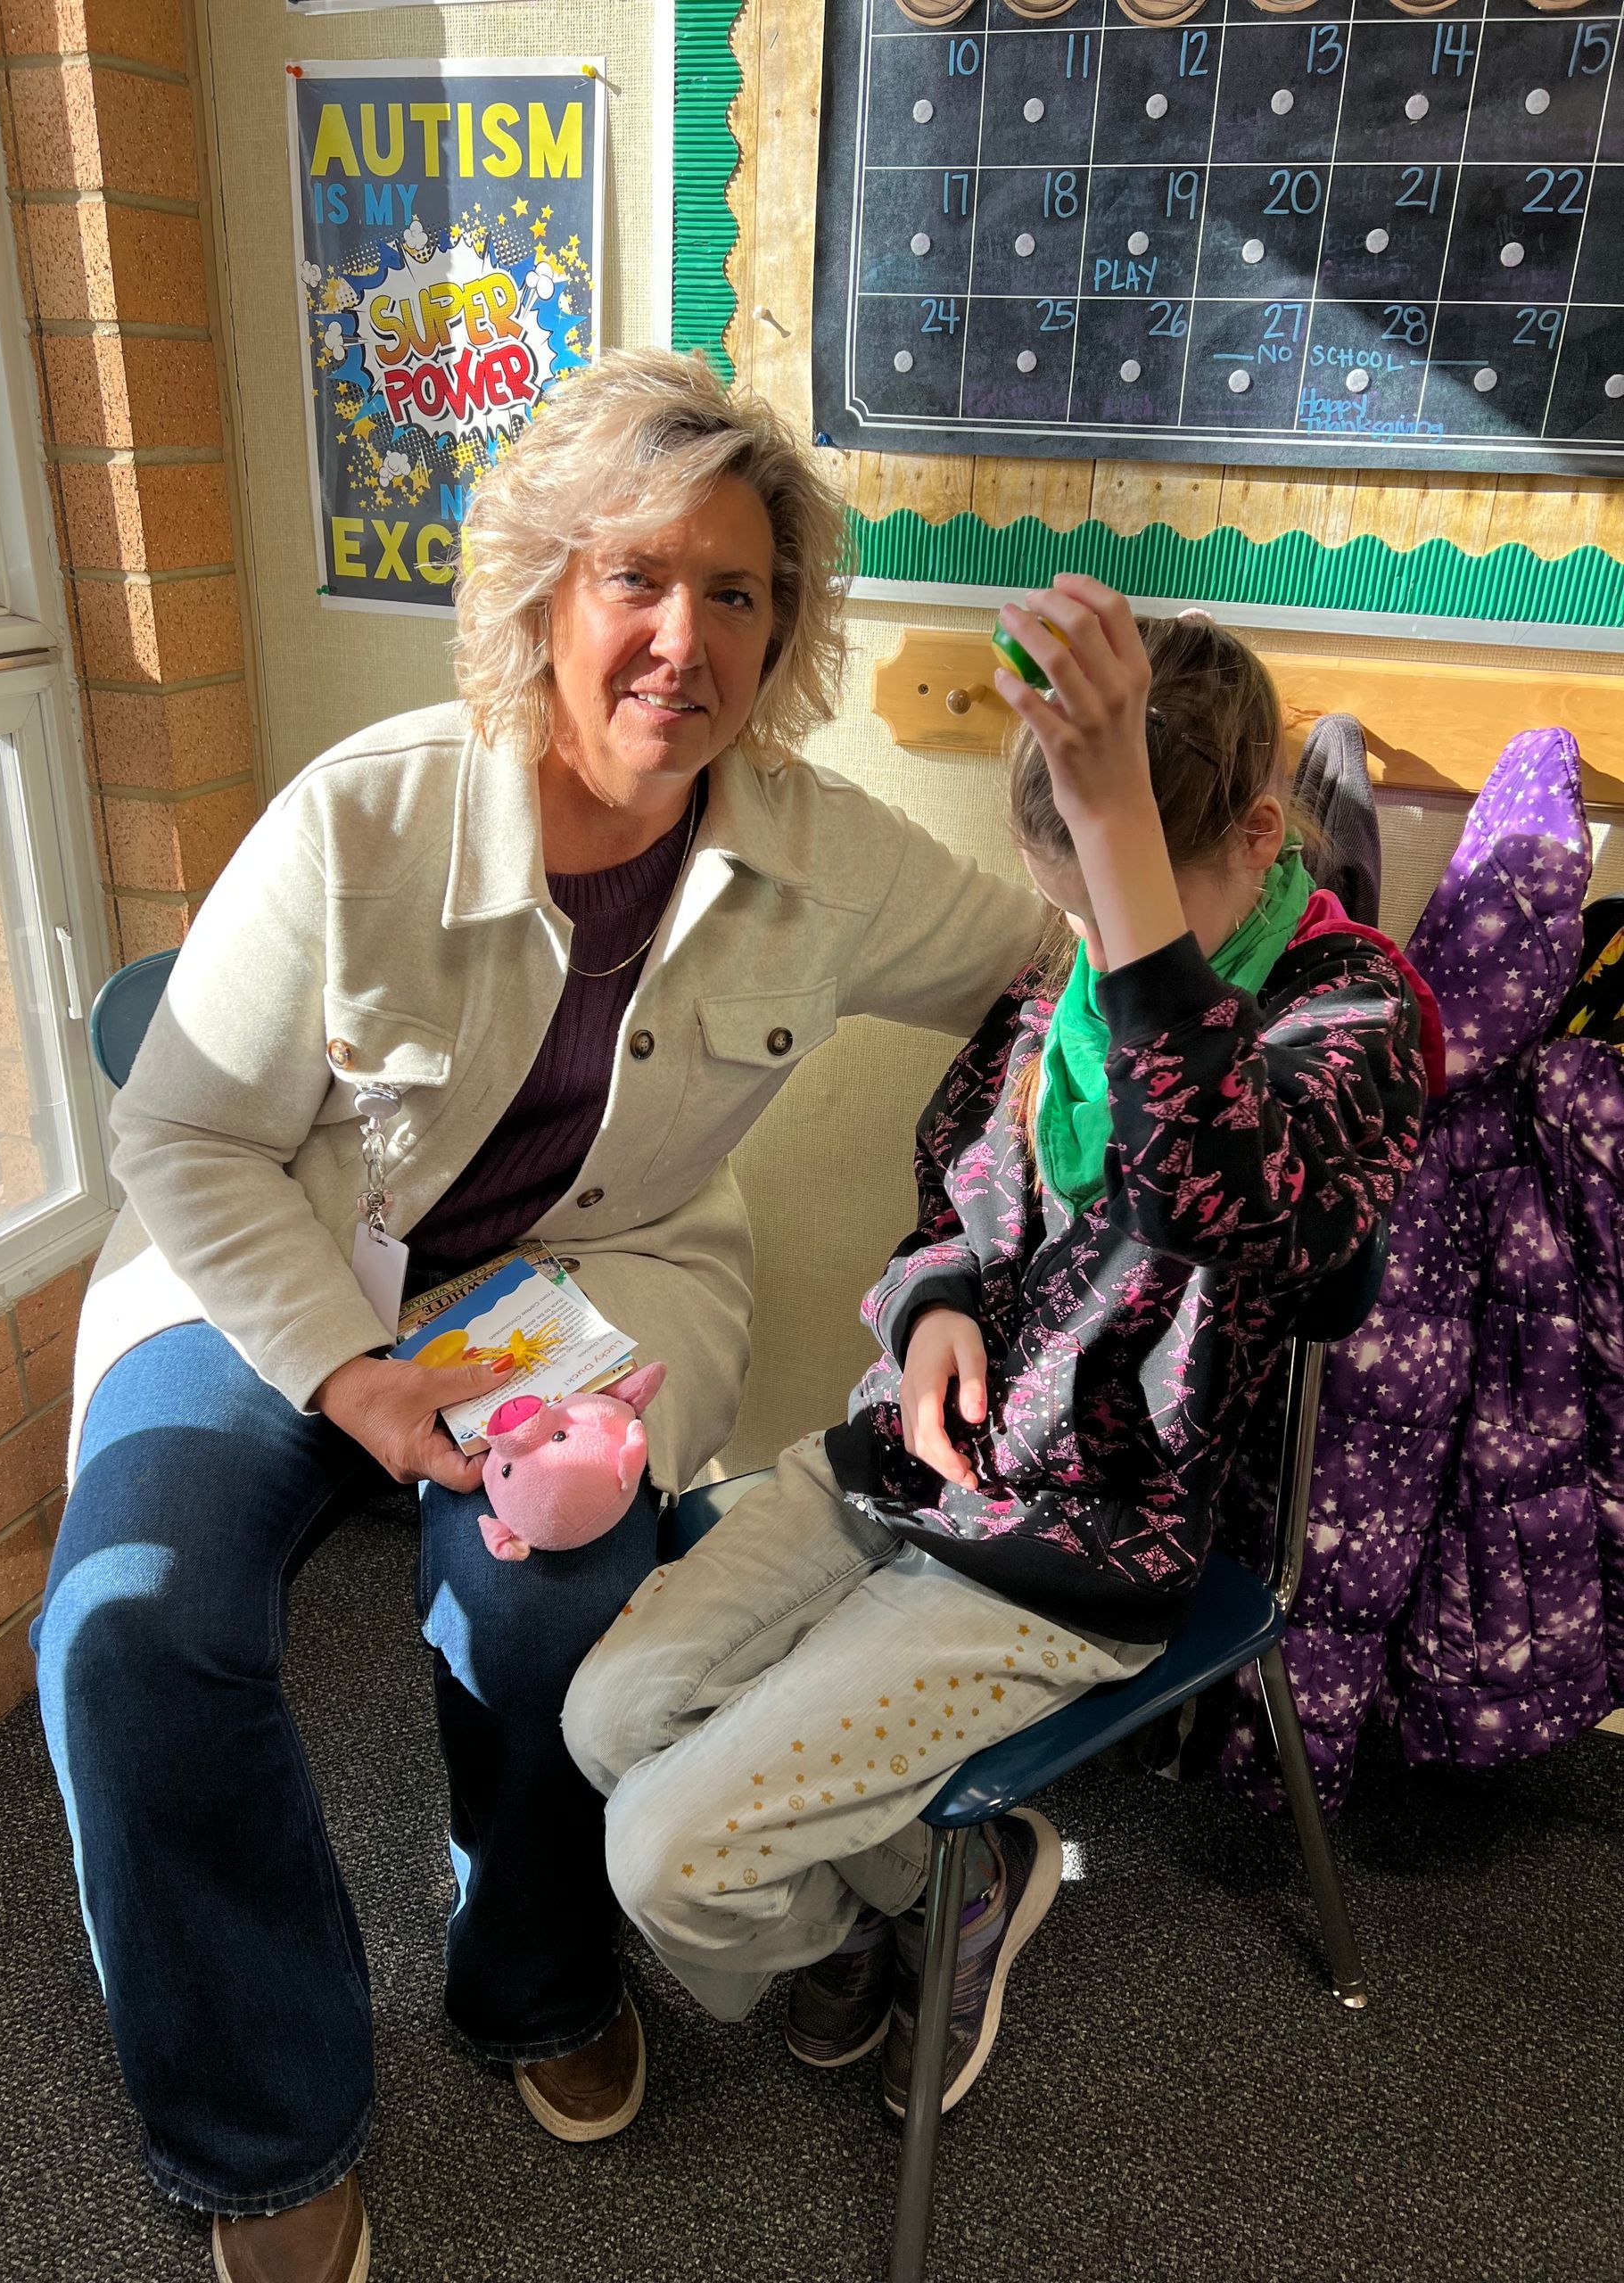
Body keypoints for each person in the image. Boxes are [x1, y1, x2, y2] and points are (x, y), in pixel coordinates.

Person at [33, 349, 1044, 2283]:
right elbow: (179, 1128)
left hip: (579, 1296)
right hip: (273, 1264)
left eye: (737, 591)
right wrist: (342, 1369)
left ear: (785, 625)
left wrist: (969, 1255)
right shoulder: (366, 821)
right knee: (128, 1628)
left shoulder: (825, 856)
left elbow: (1047, 983)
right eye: (636, 579)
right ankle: (261, 2125)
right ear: (544, 597)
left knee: (550, 1595)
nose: (685, 637)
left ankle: (537, 1971)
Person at [566, 582, 1430, 2119]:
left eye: (1127, 905)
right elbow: (959, 1189)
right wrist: (937, 1305)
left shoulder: (1353, 1013)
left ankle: (897, 1911)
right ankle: (929, 1889)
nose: (1096, 953)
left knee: (667, 1855)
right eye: (1076, 904)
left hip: (1078, 1550)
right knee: (608, 1719)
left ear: (1251, 837)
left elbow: (1222, 1206)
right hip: (905, 1465)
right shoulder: (1071, 990)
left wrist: (1129, 892)